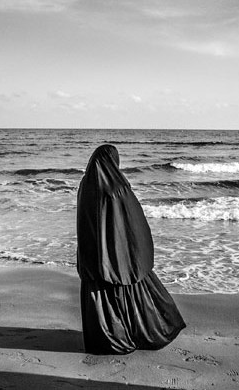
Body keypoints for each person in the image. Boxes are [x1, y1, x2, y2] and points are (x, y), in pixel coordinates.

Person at [76, 144, 185, 355]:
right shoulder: (117, 187)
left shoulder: (85, 185)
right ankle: (129, 335)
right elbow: (132, 221)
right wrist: (138, 249)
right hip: (117, 254)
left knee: (100, 295)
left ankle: (106, 340)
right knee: (124, 288)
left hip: (91, 254)